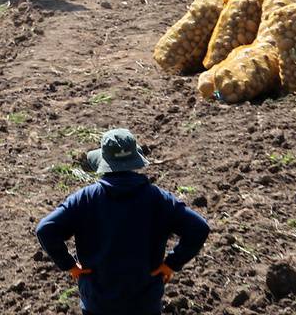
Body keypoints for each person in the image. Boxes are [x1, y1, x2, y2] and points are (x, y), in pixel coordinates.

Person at [34, 127, 209, 315]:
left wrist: (69, 265)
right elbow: (199, 228)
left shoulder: (85, 199)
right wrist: (172, 264)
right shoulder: (158, 199)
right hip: (144, 301)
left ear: (103, 161)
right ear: (135, 158)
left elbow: (46, 229)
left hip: (98, 302)